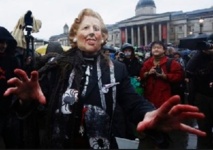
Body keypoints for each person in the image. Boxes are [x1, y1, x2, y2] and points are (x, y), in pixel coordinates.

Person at [4, 8, 206, 149]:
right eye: (86, 28)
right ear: (74, 36)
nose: (92, 32)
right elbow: (35, 111)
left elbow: (133, 102)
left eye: (97, 29)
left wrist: (149, 113)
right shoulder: (55, 66)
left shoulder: (116, 68)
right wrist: (25, 100)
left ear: (103, 37)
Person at [139, 41, 188, 149]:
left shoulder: (171, 62)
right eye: (154, 48)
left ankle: (165, 141)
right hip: (150, 95)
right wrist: (148, 73)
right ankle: (156, 140)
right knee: (153, 118)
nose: (156, 50)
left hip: (165, 96)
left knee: (164, 119)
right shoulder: (148, 62)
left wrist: (164, 76)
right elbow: (141, 74)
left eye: (159, 47)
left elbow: (179, 76)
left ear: (164, 50)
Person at [186, 34, 213, 149]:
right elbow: (189, 69)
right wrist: (201, 52)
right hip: (203, 96)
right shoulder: (201, 56)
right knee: (204, 129)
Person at [0, 26, 22, 148]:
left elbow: (19, 79)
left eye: (4, 42)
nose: (2, 46)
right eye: (0, 42)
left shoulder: (12, 60)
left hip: (9, 109)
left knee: (13, 143)